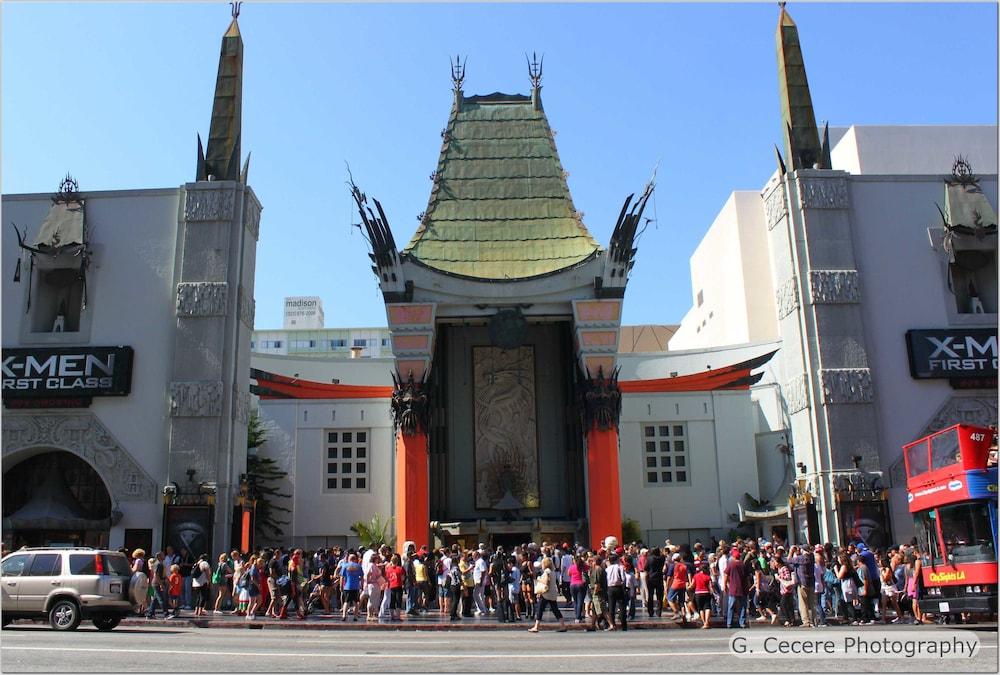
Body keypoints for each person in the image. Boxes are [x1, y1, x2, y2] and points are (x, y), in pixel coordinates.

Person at [528, 557, 566, 632]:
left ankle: (536, 626)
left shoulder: (547, 572)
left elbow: (546, 582)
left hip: (546, 594)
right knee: (555, 610)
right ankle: (562, 625)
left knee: (540, 609)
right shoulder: (552, 571)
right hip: (552, 593)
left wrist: (539, 579)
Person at [606, 553, 628, 631]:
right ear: (616, 560)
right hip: (619, 587)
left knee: (611, 607)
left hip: (610, 588)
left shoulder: (607, 569)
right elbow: (623, 578)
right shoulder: (620, 567)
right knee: (622, 607)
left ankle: (613, 624)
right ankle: (623, 625)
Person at [690, 562, 714, 629]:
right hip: (706, 593)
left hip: (698, 593)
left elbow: (692, 585)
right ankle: (707, 622)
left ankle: (704, 623)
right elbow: (710, 586)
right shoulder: (708, 577)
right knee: (707, 607)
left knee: (700, 608)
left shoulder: (695, 576)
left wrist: (688, 587)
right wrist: (712, 592)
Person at [568, 553, 589, 623]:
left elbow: (569, 574)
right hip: (581, 584)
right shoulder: (584, 566)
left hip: (572, 585)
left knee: (575, 601)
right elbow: (589, 569)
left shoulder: (572, 567)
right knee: (580, 601)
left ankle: (577, 616)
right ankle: (578, 617)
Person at [645, 547, 665, 617]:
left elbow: (645, 568)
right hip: (659, 578)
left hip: (651, 578)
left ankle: (650, 611)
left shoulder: (649, 558)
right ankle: (659, 611)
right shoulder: (662, 558)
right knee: (660, 596)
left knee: (650, 595)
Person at [385, 553, 405, 621]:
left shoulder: (388, 569)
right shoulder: (400, 568)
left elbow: (387, 578)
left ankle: (392, 615)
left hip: (392, 586)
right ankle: (398, 616)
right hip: (399, 585)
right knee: (398, 600)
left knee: (392, 600)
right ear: (397, 561)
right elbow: (402, 578)